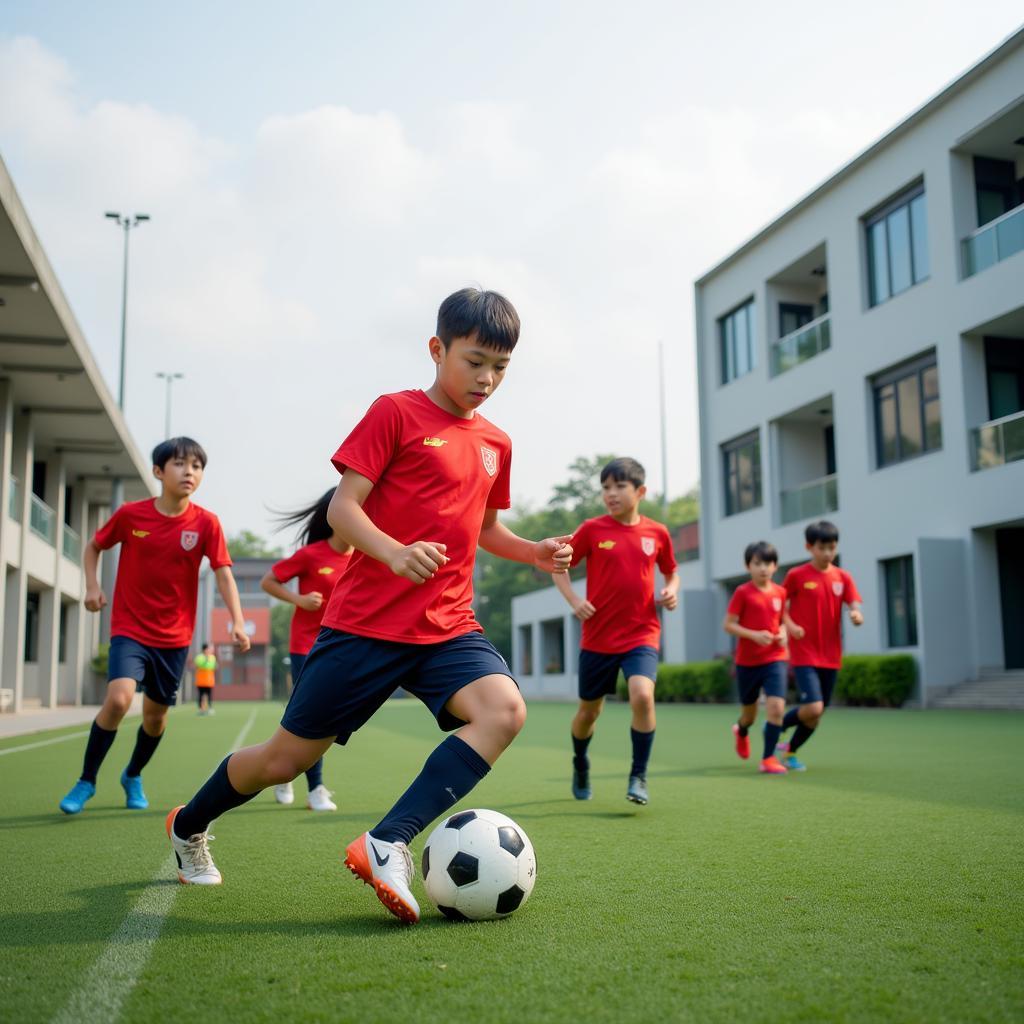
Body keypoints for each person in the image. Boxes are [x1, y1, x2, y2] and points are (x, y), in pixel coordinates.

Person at [166, 288, 572, 926]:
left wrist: (534, 552)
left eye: (500, 367)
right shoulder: (395, 413)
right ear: (437, 350)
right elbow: (342, 509)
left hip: (447, 626)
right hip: (366, 625)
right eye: (474, 361)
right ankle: (188, 825)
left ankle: (388, 841)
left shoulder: (497, 442)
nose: (487, 379)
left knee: (504, 709)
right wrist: (392, 552)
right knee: (284, 761)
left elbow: (486, 529)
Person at [59, 438, 250, 815]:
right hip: (129, 629)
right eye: (180, 464)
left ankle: (132, 774)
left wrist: (238, 621)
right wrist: (93, 586)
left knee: (155, 717)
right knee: (118, 699)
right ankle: (86, 780)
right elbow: (94, 546)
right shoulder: (131, 515)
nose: (189, 472)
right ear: (159, 472)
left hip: (175, 638)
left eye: (196, 466)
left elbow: (224, 574)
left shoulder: (207, 523)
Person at [553, 457, 679, 806]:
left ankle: (638, 775)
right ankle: (581, 762)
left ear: (640, 491)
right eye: (605, 487)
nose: (610, 493)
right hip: (597, 639)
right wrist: (574, 600)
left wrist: (672, 591)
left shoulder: (657, 533)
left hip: (642, 634)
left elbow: (671, 571)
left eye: (619, 486)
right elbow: (558, 566)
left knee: (642, 695)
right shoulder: (592, 529)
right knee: (589, 713)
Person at [259, 488, 354, 812]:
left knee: (323, 717)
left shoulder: (367, 556)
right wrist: (299, 600)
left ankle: (284, 764)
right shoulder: (312, 555)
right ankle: (315, 788)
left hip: (346, 648)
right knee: (315, 716)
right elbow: (269, 581)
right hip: (306, 647)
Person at [777, 520, 864, 771]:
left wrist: (857, 615)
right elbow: (780, 605)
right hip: (805, 652)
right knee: (813, 707)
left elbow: (854, 604)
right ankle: (778, 726)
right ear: (809, 547)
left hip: (831, 654)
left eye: (832, 547)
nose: (827, 553)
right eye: (822, 548)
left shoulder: (842, 577)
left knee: (817, 712)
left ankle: (790, 751)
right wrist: (790, 626)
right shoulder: (797, 575)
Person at [723, 541, 789, 775]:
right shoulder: (742, 593)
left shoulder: (781, 592)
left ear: (775, 566)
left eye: (768, 563)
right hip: (748, 663)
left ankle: (768, 758)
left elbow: (782, 622)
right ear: (748, 566)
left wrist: (782, 634)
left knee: (776, 708)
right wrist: (754, 635)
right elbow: (729, 625)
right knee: (749, 715)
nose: (763, 568)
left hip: (775, 658)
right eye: (757, 563)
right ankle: (740, 731)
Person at [194, 643, 217, 715]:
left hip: (209, 681)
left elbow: (212, 666)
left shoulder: (212, 657)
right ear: (204, 649)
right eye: (208, 648)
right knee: (201, 695)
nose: (210, 650)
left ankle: (210, 708)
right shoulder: (199, 657)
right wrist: (206, 661)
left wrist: (207, 663)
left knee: (209, 695)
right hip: (200, 681)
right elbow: (200, 664)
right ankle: (201, 709)